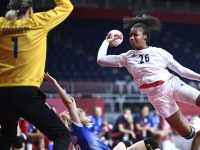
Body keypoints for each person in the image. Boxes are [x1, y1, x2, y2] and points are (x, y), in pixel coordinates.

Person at [97, 14, 200, 140]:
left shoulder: (159, 52)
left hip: (172, 85)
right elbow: (101, 59)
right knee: (188, 134)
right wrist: (106, 41)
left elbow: (181, 70)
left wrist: (199, 77)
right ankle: (197, 124)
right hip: (157, 99)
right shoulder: (127, 57)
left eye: (135, 35)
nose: (131, 38)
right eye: (130, 36)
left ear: (145, 36)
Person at [0, 0, 73, 149]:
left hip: (2, 93)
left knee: (7, 137)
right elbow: (67, 6)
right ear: (30, 10)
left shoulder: (1, 24)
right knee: (62, 134)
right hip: (25, 92)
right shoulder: (37, 22)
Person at [44, 72, 161, 150]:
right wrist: (54, 83)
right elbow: (69, 103)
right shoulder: (79, 129)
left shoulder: (73, 134)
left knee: (125, 144)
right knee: (150, 142)